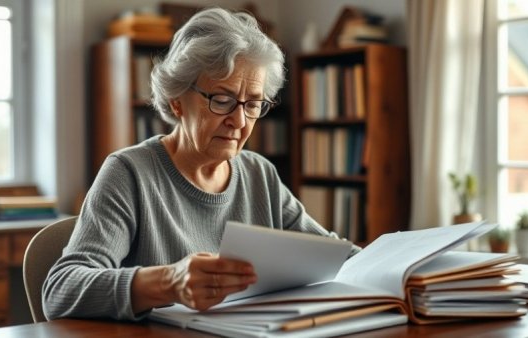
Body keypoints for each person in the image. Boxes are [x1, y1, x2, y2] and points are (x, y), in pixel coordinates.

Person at [43, 7, 360, 321]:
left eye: (252, 104)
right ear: (177, 101)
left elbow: (338, 257)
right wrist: (170, 281)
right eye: (222, 100)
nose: (238, 121)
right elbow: (60, 290)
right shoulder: (129, 173)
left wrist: (402, 275)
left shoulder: (259, 173)